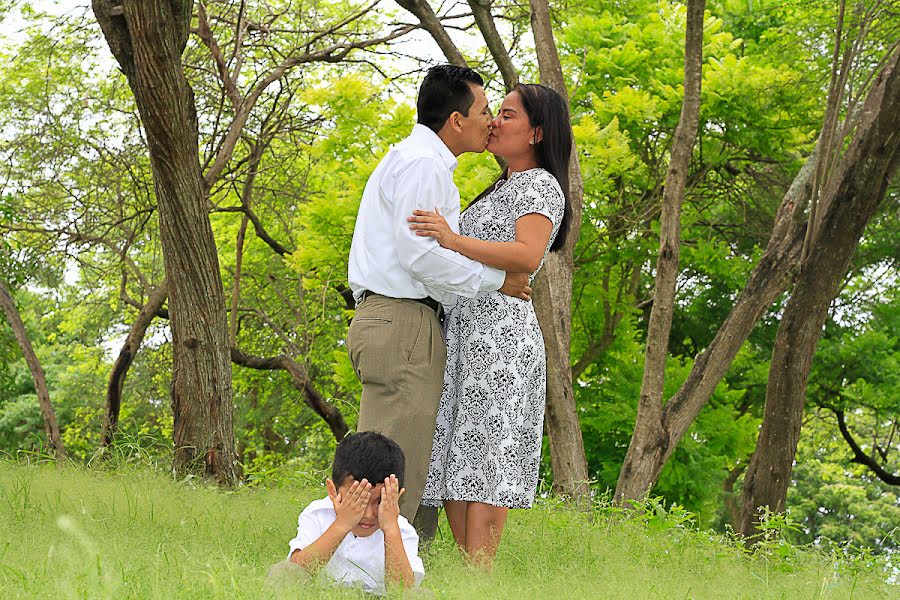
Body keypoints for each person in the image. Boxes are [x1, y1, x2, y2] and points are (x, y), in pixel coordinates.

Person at [346, 65, 533, 535]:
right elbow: (419, 257)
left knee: (402, 460)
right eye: (484, 111)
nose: (490, 121)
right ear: (455, 120)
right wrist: (497, 281)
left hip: (404, 321)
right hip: (403, 320)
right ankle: (364, 571)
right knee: (387, 464)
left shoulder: (418, 161)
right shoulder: (424, 165)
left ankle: (400, 566)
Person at [409, 83, 573, 567]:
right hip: (467, 337)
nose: (495, 121)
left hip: (501, 343)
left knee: (484, 466)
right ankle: (467, 578)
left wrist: (453, 240)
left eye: (508, 114)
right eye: (494, 112)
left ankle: (479, 580)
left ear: (537, 133)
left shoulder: (539, 185)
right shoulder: (502, 186)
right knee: (460, 464)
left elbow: (527, 255)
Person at [267, 432, 425, 595]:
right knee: (282, 572)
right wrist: (342, 524)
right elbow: (297, 568)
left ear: (396, 498)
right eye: (357, 500)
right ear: (333, 491)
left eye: (380, 502)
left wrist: (391, 529)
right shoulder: (317, 515)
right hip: (321, 596)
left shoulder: (401, 530)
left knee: (422, 596)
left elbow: (403, 591)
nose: (368, 514)